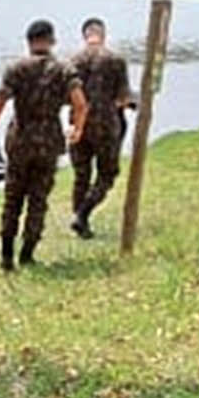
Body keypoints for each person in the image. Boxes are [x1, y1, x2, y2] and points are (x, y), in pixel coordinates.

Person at [0, 20, 87, 272]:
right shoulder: (64, 69)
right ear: (51, 40)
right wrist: (77, 129)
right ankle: (27, 254)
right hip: (49, 140)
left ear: (29, 41)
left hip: (20, 139)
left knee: (12, 197)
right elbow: (80, 104)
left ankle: (6, 256)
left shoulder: (16, 68)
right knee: (39, 199)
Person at [68, 18, 132, 238]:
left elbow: (67, 96)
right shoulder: (116, 60)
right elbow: (123, 98)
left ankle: (78, 221)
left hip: (78, 124)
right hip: (106, 125)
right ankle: (83, 215)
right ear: (103, 35)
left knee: (81, 174)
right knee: (107, 174)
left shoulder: (72, 61)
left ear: (84, 35)